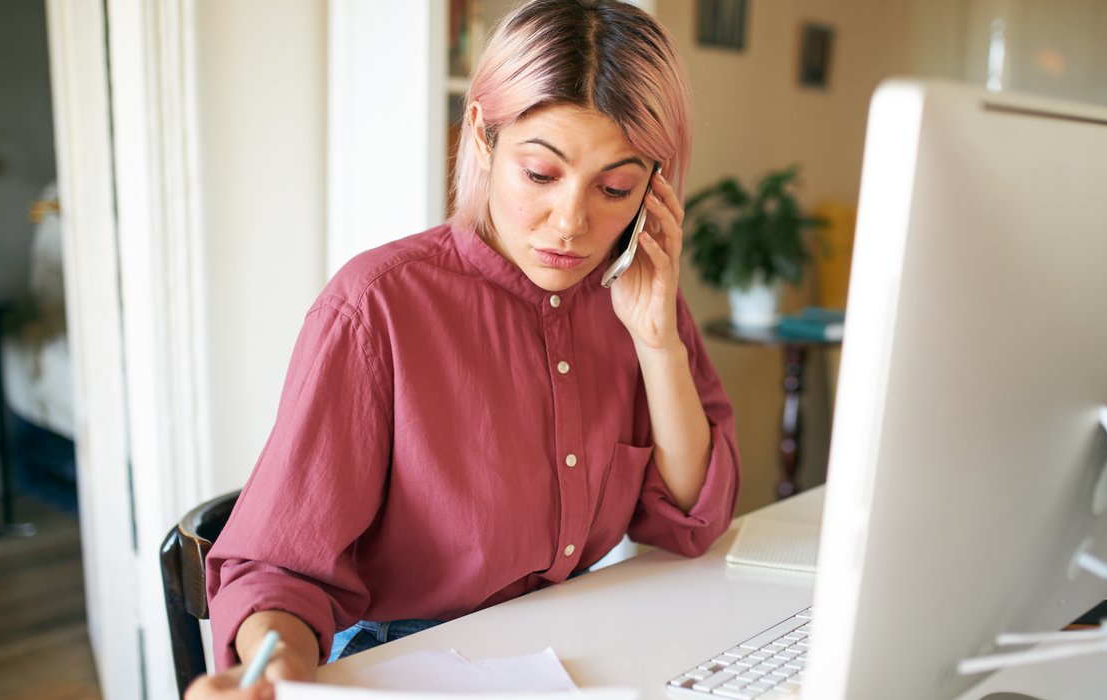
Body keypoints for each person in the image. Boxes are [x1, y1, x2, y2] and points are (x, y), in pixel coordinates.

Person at [186, 1, 740, 697]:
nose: (571, 223)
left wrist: (659, 343)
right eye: (540, 174)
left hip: (569, 644)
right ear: (481, 136)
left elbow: (689, 522)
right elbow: (279, 569)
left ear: (654, 187)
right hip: (402, 659)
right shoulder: (374, 307)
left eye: (615, 187)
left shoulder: (638, 295)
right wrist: (272, 679)